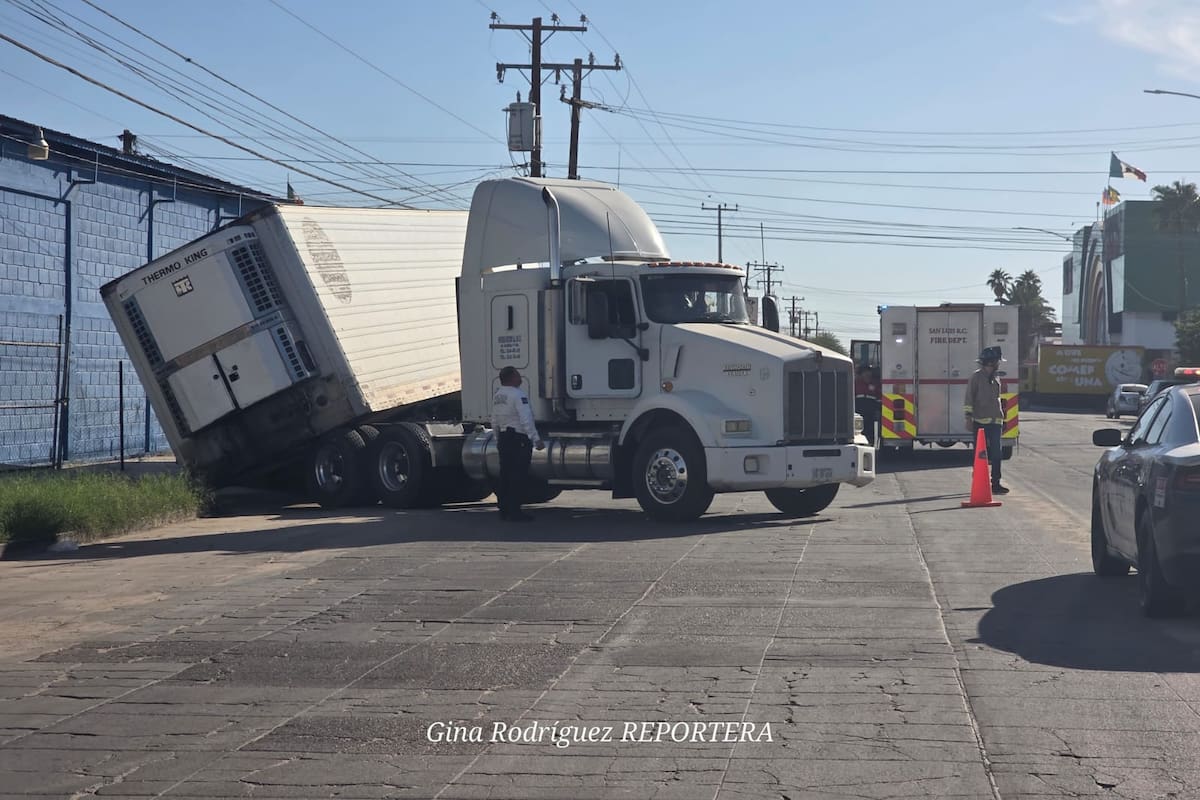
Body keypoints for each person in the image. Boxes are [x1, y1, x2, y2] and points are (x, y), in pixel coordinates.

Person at [491, 366, 544, 521]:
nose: (520, 378)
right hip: (518, 439)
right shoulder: (518, 394)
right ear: (511, 378)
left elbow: (494, 419)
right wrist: (535, 439)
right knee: (517, 476)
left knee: (505, 474)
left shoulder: (498, 395)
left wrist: (497, 438)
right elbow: (526, 418)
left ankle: (504, 509)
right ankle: (515, 511)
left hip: (504, 437)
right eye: (518, 375)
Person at [964, 347, 1009, 495]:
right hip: (980, 422)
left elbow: (997, 399)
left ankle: (995, 483)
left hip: (996, 421)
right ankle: (978, 480)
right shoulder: (976, 378)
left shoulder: (996, 378)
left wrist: (1004, 419)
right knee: (980, 455)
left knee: (997, 453)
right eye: (997, 361)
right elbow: (969, 398)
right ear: (991, 362)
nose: (999, 364)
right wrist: (968, 418)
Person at [854, 365, 881, 446]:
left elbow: (879, 397)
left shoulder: (875, 383)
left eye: (869, 372)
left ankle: (870, 444)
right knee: (858, 429)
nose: (867, 374)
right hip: (859, 410)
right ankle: (859, 444)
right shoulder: (856, 383)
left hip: (871, 410)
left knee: (870, 429)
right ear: (861, 374)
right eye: (865, 372)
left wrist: (878, 410)